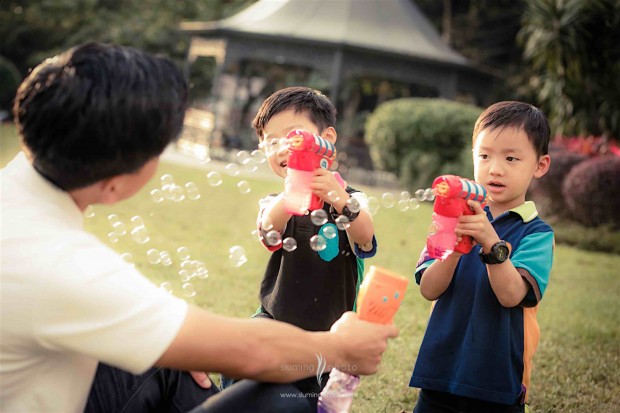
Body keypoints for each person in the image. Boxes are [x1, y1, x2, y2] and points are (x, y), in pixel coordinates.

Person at [0, 42, 398, 413]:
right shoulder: (62, 265)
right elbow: (250, 353)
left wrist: (173, 348)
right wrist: (338, 347)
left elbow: (362, 232)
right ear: (122, 174)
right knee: (288, 401)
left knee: (177, 364)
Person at [221, 87, 378, 403]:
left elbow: (364, 236)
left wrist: (339, 198)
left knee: (301, 397)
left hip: (328, 331)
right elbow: (268, 231)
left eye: (293, 136)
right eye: (272, 141)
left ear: (327, 138)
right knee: (238, 359)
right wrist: (294, 192)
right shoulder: (274, 203)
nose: (283, 148)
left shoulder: (351, 200)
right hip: (275, 317)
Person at [409, 101, 554, 413]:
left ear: (540, 165)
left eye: (511, 158)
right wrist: (455, 245)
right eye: (484, 156)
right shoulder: (453, 215)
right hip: (439, 373)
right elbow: (429, 289)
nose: (495, 168)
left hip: (497, 383)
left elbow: (512, 295)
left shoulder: (537, 234)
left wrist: (491, 242)